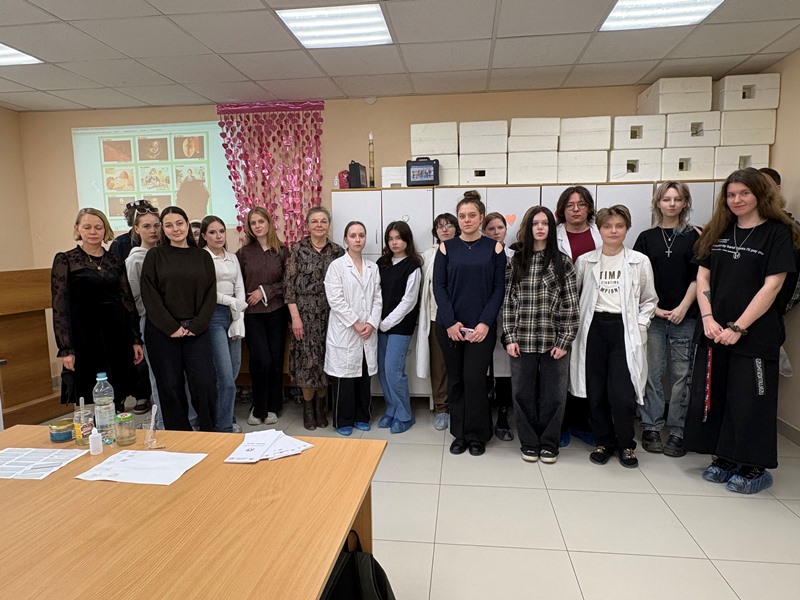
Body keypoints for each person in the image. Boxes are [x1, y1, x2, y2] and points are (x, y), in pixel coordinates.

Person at [685, 168, 799, 494]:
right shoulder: (717, 230)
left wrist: (738, 326)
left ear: (760, 194)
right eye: (731, 194)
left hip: (755, 335)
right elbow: (703, 277)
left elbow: (773, 285)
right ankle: (724, 458)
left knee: (750, 399)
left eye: (744, 193)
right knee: (717, 395)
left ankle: (753, 466)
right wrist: (708, 318)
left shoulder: (778, 233)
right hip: (714, 331)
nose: (736, 200)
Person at [570, 205, 657, 469]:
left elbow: (649, 299)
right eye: (607, 226)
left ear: (627, 228)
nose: (613, 231)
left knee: (622, 393)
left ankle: (626, 444)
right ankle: (603, 442)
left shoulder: (639, 261)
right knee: (595, 390)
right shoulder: (585, 261)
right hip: (594, 328)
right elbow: (575, 296)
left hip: (624, 329)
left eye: (619, 226)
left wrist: (641, 324)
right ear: (599, 229)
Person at [503, 206, 579, 463]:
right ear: (528, 228)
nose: (539, 228)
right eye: (535, 223)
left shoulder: (562, 262)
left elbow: (570, 304)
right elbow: (509, 302)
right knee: (522, 394)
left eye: (545, 223)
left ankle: (548, 443)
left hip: (553, 342)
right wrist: (510, 337)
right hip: (522, 340)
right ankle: (529, 442)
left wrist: (564, 340)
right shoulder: (516, 261)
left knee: (553, 395)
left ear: (551, 228)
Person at [433, 190, 506, 457]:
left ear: (481, 217)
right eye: (462, 216)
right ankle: (460, 433)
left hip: (481, 329)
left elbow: (498, 289)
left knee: (474, 380)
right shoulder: (446, 248)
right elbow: (439, 287)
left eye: (471, 215)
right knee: (456, 380)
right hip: (450, 327)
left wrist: (485, 323)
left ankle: (478, 434)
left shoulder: (494, 248)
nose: (466, 220)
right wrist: (451, 322)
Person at [51, 208, 143, 410]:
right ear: (77, 229)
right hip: (84, 334)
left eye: (98, 227)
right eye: (87, 227)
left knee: (118, 389)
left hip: (116, 332)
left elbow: (126, 300)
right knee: (91, 391)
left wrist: (135, 339)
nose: (93, 232)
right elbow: (59, 306)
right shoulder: (66, 260)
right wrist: (66, 348)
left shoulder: (115, 260)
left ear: (105, 230)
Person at [633, 182, 700, 457]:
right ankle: (650, 425)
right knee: (652, 372)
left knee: (682, 376)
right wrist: (655, 309)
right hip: (654, 317)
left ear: (685, 203)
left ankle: (677, 431)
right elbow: (637, 280)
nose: (672, 204)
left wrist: (683, 306)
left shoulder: (696, 236)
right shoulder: (646, 238)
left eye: (677, 199)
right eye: (666, 199)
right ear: (657, 203)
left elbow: (700, 277)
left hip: (687, 316)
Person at [140, 206, 217, 431]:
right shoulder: (155, 256)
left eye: (179, 223)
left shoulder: (202, 256)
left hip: (196, 330)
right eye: (169, 225)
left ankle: (209, 431)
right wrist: (171, 326)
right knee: (170, 386)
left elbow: (210, 294)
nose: (175, 229)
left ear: (187, 224)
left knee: (204, 383)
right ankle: (180, 435)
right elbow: (149, 295)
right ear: (163, 230)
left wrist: (197, 325)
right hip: (163, 332)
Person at [285, 206, 345, 430]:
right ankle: (308, 409)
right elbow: (289, 287)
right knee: (307, 364)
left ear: (328, 225)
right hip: (304, 315)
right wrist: (295, 318)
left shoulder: (337, 251)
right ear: (307, 225)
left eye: (323, 221)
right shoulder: (297, 249)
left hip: (331, 314)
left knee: (326, 360)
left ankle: (321, 407)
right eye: (314, 221)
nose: (319, 225)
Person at [324, 221, 382, 436]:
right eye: (353, 235)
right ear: (345, 239)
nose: (358, 239)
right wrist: (356, 323)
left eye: (361, 235)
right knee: (345, 379)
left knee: (364, 376)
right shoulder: (337, 266)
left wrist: (371, 323)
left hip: (367, 331)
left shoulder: (373, 268)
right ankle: (343, 421)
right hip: (346, 330)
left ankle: (362, 416)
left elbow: (378, 299)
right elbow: (335, 300)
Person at [555, 186, 602, 448]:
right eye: (570, 205)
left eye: (581, 204)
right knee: (560, 369)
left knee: (586, 368)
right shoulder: (555, 235)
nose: (576, 209)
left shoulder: (600, 234)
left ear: (589, 208)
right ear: (562, 209)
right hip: (558, 311)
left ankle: (581, 423)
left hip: (591, 308)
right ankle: (561, 424)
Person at [237, 207, 290, 426]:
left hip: (277, 312)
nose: (257, 226)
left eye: (261, 221)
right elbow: (237, 283)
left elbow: (288, 282)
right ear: (249, 227)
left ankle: (272, 407)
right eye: (253, 223)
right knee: (261, 360)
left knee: (275, 360)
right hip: (252, 315)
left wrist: (265, 291)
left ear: (269, 223)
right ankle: (258, 407)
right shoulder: (243, 253)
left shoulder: (282, 251)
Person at [199, 216, 246, 433]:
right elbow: (207, 291)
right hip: (214, 314)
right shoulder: (202, 257)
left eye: (221, 231)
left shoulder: (232, 257)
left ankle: (224, 415)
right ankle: (224, 426)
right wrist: (232, 302)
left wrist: (239, 316)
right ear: (204, 235)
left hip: (234, 313)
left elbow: (240, 286)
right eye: (212, 232)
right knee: (224, 375)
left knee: (234, 370)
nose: (218, 236)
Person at [376, 221, 422, 434]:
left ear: (407, 240)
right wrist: (377, 321)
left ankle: (405, 415)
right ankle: (392, 408)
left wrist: (386, 322)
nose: (394, 242)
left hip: (399, 326)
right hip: (379, 325)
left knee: (393, 372)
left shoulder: (413, 265)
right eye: (390, 239)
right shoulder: (382, 263)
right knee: (383, 372)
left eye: (398, 238)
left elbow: (409, 301)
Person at [417, 213, 459, 431]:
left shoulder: (464, 250)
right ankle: (442, 408)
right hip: (436, 317)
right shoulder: (429, 255)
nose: (444, 229)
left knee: (460, 365)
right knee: (439, 365)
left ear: (457, 228)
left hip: (462, 319)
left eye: (449, 225)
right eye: (440, 226)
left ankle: (459, 406)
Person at [125, 202, 166, 427]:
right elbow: (135, 298)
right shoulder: (135, 260)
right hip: (151, 322)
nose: (153, 231)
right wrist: (158, 312)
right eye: (147, 226)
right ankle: (160, 421)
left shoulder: (164, 254)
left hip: (171, 322)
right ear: (136, 229)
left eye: (157, 226)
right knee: (158, 375)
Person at [482, 211, 515, 442]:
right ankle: (483, 415)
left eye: (500, 228)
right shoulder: (479, 254)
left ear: (505, 230)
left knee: (504, 369)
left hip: (507, 317)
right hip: (482, 318)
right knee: (482, 367)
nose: (496, 232)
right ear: (484, 231)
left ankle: (503, 416)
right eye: (491, 229)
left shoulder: (514, 257)